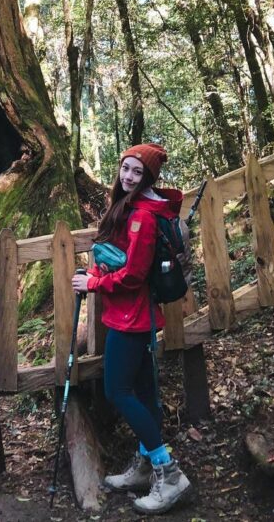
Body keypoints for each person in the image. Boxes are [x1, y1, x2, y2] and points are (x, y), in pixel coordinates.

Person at [71, 143, 193, 515]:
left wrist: (93, 284)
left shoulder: (143, 216)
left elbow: (134, 275)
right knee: (144, 393)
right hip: (132, 315)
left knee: (117, 390)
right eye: (126, 168)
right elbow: (118, 256)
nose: (128, 176)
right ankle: (145, 466)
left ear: (148, 178)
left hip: (132, 318)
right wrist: (96, 271)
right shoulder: (130, 207)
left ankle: (168, 473)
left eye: (137, 172)